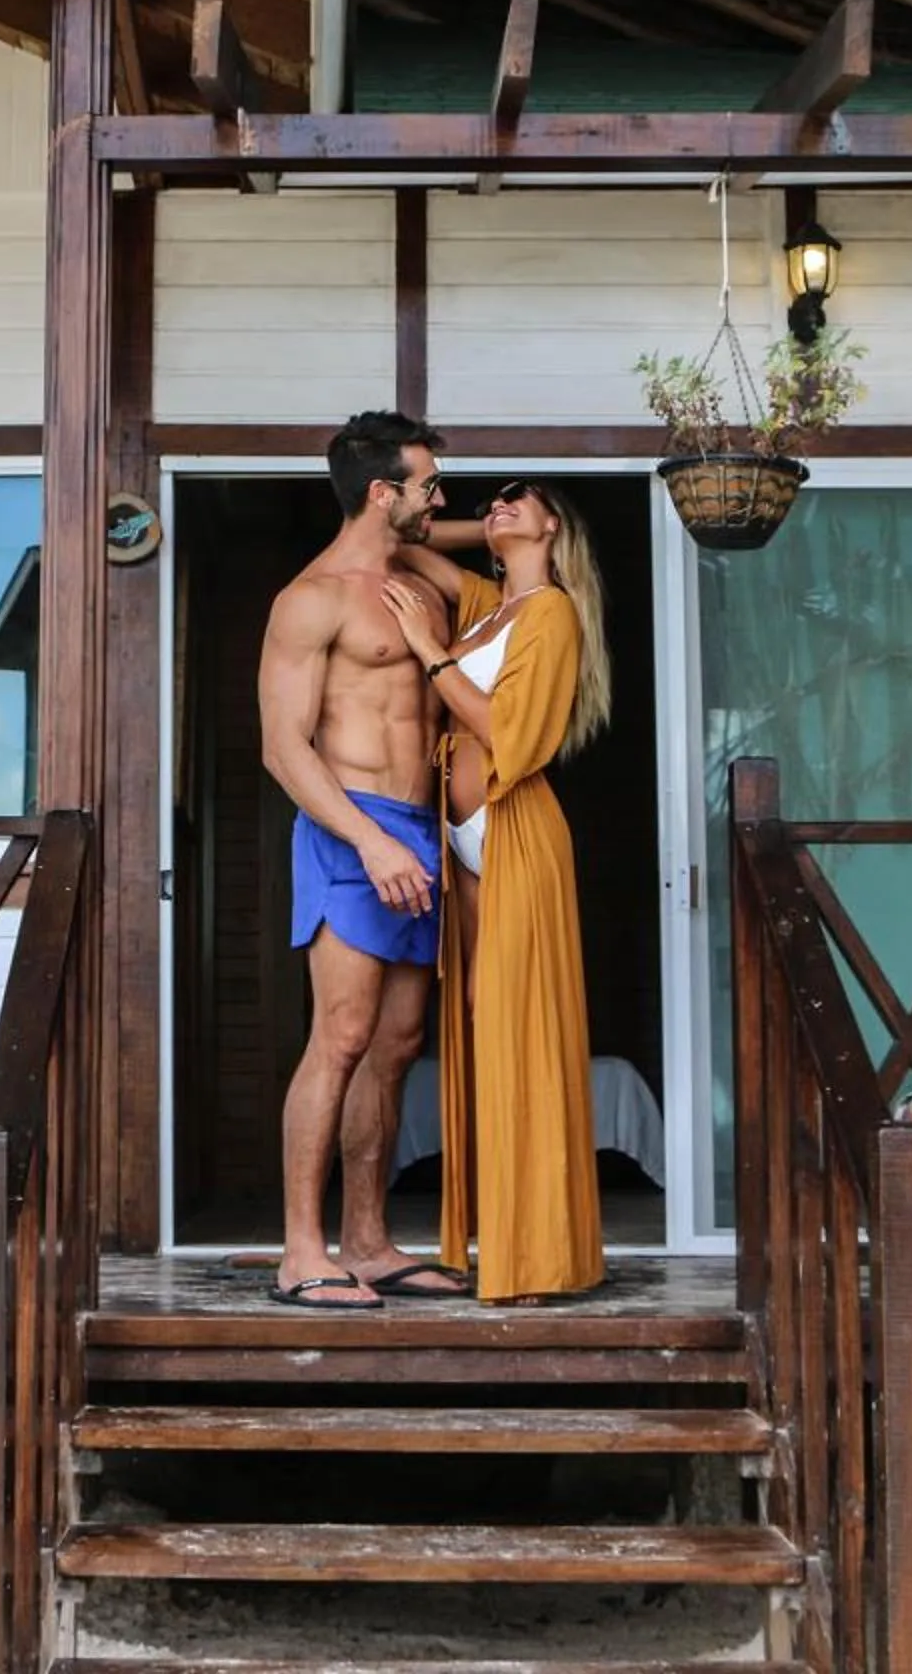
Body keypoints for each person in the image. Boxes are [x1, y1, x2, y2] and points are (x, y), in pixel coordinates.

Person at [255, 411, 474, 1309]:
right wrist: (371, 838)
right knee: (341, 1037)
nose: (441, 499)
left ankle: (369, 1241)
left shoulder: (416, 585)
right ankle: (302, 1252)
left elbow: (472, 539)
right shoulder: (312, 598)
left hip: (421, 831)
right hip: (354, 830)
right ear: (383, 492)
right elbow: (283, 747)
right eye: (426, 484)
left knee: (396, 1046)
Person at [385, 479, 612, 1303]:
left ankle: (539, 1253)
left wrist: (429, 651)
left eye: (525, 499)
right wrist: (456, 522)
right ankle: (496, 1238)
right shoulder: (488, 605)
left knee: (520, 1035)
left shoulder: (550, 612)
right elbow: (404, 543)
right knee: (480, 1029)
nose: (503, 503)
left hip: (517, 834)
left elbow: (504, 729)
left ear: (556, 524)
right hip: (466, 843)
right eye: (496, 499)